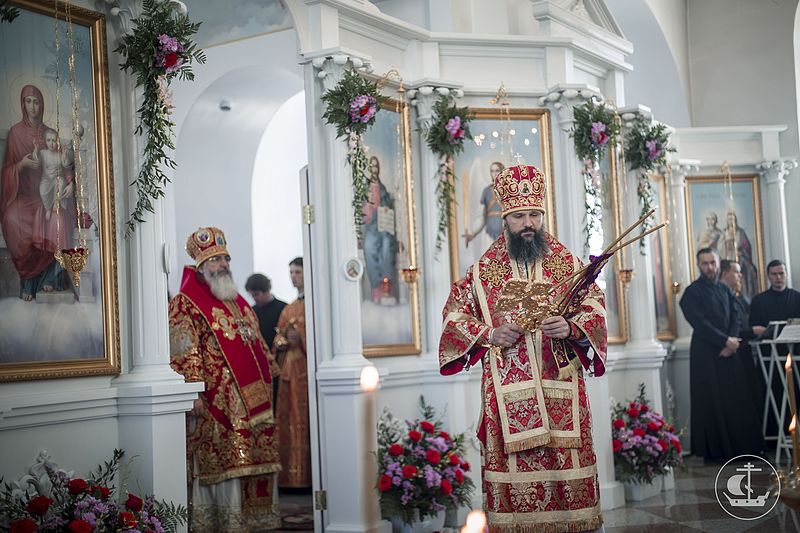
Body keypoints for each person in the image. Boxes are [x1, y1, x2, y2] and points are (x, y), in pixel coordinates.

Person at [439, 164, 607, 533]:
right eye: (519, 216)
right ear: (505, 218)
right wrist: (488, 333)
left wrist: (572, 326)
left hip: (562, 392)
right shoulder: (482, 271)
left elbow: (595, 305)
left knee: (569, 483)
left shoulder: (568, 263)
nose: (528, 223)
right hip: (506, 397)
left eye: (534, 214)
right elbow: (453, 317)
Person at [169, 227, 281, 531]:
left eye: (225, 258)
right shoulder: (186, 302)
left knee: (253, 458)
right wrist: (192, 389)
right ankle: (225, 523)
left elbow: (254, 337)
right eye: (216, 260)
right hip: (220, 401)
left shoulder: (235, 299)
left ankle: (252, 520)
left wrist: (270, 364)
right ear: (202, 266)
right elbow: (183, 346)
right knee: (227, 462)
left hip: (254, 399)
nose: (223, 265)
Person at [680, 248, 763, 461]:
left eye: (712, 263)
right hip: (706, 353)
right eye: (705, 263)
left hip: (730, 350)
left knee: (737, 398)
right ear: (699, 265)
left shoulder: (725, 290)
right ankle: (717, 452)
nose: (709, 267)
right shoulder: (692, 292)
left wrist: (732, 341)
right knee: (712, 401)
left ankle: (743, 448)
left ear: (718, 264)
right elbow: (699, 322)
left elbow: (737, 315)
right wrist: (724, 341)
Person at [1, 84, 72, 300]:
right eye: (28, 101)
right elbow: (6, 172)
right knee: (12, 219)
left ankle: (50, 279)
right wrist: (21, 166)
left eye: (36, 101)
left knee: (57, 222)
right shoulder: (15, 133)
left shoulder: (50, 134)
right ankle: (28, 282)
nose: (32, 106)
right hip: (23, 197)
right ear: (22, 104)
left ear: (42, 104)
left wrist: (69, 183)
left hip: (48, 197)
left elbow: (64, 165)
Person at [273, 257, 311, 490]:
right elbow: (277, 337)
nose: (293, 276)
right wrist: (283, 341)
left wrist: (302, 338)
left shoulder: (314, 304)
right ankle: (290, 478)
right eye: (291, 272)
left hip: (305, 372)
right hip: (289, 372)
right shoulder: (289, 307)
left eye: (297, 271)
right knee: (288, 420)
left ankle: (307, 477)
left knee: (304, 420)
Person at [361, 155, 397, 304]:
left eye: (376, 166)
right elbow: (361, 210)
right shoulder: (365, 189)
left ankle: (386, 287)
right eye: (372, 167)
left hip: (384, 227)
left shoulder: (383, 189)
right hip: (371, 227)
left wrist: (386, 208)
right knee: (369, 248)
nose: (374, 169)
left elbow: (389, 205)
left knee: (387, 249)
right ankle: (376, 286)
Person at [34, 127, 73, 221]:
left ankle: (56, 202)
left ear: (57, 142)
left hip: (57, 179)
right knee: (42, 191)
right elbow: (36, 159)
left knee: (61, 182)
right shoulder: (43, 153)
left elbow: (66, 164)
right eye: (49, 140)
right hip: (46, 179)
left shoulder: (58, 155)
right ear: (45, 141)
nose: (51, 143)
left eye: (54, 141)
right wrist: (36, 149)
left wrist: (64, 155)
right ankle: (47, 208)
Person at [749, 260, 800, 331]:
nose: (778, 277)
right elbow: (754, 327)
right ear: (768, 276)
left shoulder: (797, 298)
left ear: (787, 274)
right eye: (774, 274)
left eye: (781, 273)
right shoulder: (758, 301)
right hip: (767, 341)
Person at [464, 161, 504, 246]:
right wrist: (473, 232)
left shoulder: (508, 190)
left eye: (497, 170)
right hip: (489, 232)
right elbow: (481, 215)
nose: (494, 173)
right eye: (492, 171)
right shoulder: (486, 191)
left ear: (502, 171)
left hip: (506, 231)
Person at [721, 210, 758, 300]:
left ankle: (746, 296)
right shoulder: (724, 232)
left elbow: (747, 246)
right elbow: (720, 247)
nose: (731, 221)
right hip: (727, 258)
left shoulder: (740, 232)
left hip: (741, 258)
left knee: (751, 271)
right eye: (729, 219)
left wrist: (741, 251)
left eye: (733, 219)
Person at [245, 273, 287, 351]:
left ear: (266, 290)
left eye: (256, 294)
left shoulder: (284, 308)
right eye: (251, 295)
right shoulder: (251, 311)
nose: (254, 298)